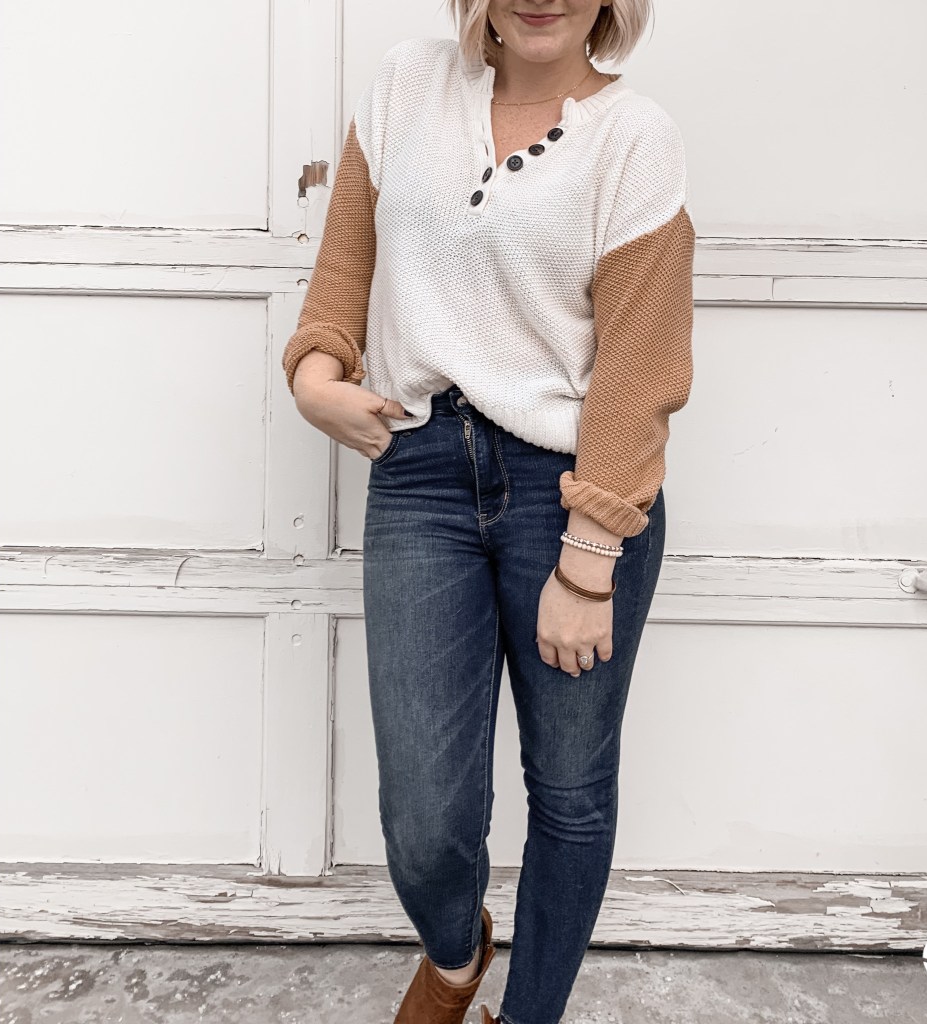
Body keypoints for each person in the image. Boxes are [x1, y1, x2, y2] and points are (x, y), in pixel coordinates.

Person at [282, 1, 695, 1021]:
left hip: (574, 490)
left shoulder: (634, 138)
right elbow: (345, 269)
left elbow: (638, 368)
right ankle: (457, 954)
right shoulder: (405, 87)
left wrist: (589, 558)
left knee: (569, 790)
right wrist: (315, 377)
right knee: (424, 816)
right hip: (419, 474)